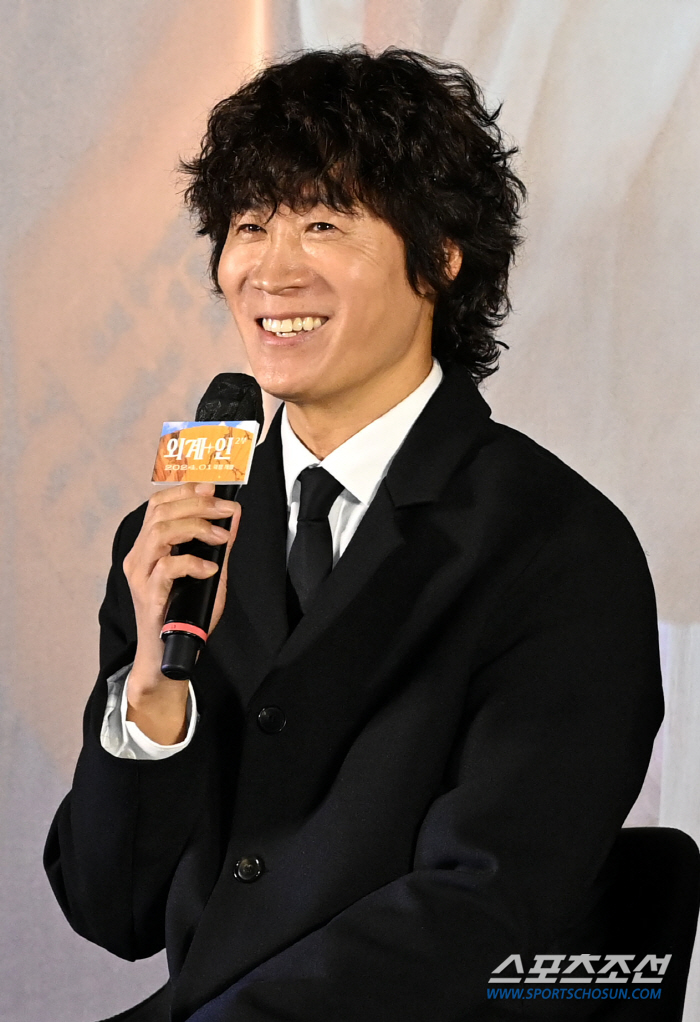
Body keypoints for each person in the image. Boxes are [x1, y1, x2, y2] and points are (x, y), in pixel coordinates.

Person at [44, 47, 663, 1021]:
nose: (271, 269)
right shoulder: (177, 537)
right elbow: (109, 906)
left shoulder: (558, 545)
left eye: (323, 223)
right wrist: (154, 691)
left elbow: (488, 907)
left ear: (440, 256)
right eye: (250, 224)